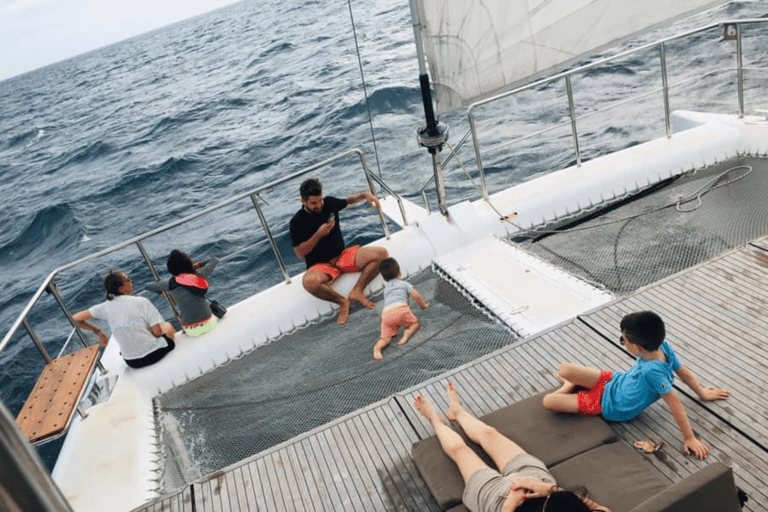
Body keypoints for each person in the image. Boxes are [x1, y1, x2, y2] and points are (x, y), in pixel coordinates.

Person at [542, 311, 730, 459]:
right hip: (615, 380)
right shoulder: (663, 345)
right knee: (564, 368)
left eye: (624, 340)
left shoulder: (652, 372)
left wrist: (689, 437)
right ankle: (572, 382)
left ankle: (569, 386)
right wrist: (702, 393)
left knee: (548, 401)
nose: (623, 342)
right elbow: (684, 372)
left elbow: (674, 402)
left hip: (610, 405)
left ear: (636, 348)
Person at [414, 382, 612, 512]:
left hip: (498, 503)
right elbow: (596, 508)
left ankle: (435, 420)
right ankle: (457, 412)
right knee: (490, 434)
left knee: (461, 452)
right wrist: (549, 489)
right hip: (538, 483)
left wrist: (509, 506)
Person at [289, 178, 388, 325]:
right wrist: (318, 235)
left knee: (381, 254)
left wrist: (365, 195)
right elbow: (299, 253)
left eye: (320, 200)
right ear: (303, 201)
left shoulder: (328, 203)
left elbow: (347, 201)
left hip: (343, 256)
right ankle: (343, 303)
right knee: (309, 283)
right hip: (321, 266)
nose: (318, 205)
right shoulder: (297, 222)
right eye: (313, 203)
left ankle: (357, 291)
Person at [73, 269, 177, 369]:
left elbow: (75, 318)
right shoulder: (142, 302)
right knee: (167, 326)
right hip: (154, 355)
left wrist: (97, 331)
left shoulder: (104, 307)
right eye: (128, 280)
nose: (131, 281)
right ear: (121, 288)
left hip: (132, 362)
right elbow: (157, 333)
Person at [145, 249, 220, 337]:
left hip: (190, 331)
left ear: (171, 268)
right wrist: (197, 265)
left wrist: (162, 291)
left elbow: (147, 286)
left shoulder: (169, 284)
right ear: (188, 263)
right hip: (209, 325)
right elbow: (215, 259)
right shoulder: (199, 274)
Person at [373, 257, 428, 360]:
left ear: (384, 279)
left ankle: (377, 348)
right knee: (415, 323)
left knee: (386, 338)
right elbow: (416, 296)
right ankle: (407, 334)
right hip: (401, 311)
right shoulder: (404, 284)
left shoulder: (386, 289)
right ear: (399, 273)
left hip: (386, 315)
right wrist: (423, 305)